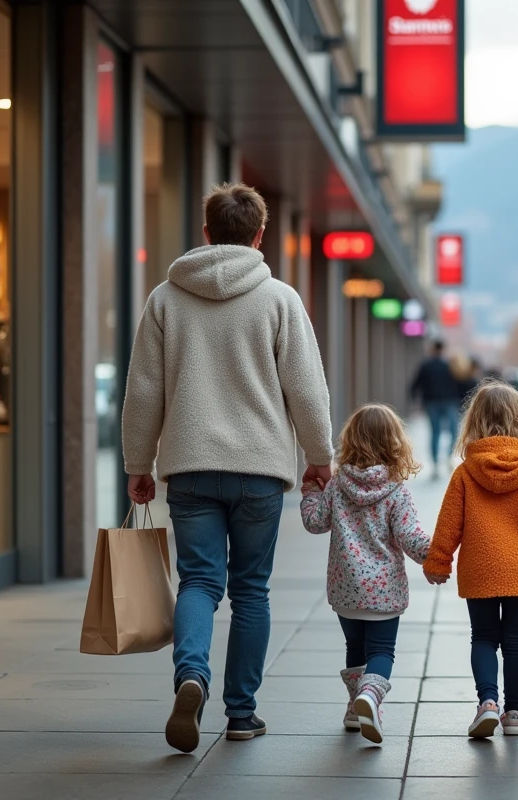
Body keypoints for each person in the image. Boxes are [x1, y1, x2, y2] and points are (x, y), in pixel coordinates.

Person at [121, 182, 334, 753]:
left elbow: (143, 390)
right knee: (251, 592)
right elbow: (306, 391)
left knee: (198, 581)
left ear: (207, 232)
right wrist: (320, 457)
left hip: (189, 466)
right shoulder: (280, 299)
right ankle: (241, 713)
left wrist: (138, 462)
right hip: (260, 468)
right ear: (260, 235)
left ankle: (191, 675)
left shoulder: (166, 298)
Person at [423, 381, 518, 739]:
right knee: (516, 642)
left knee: (483, 638)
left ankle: (487, 702)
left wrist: (439, 562)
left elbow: (449, 524)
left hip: (480, 566)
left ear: (474, 422)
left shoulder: (465, 473)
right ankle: (515, 714)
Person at [299, 404, 429, 745]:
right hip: (384, 591)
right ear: (394, 443)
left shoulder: (338, 485)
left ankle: (355, 708)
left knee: (354, 647)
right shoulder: (396, 490)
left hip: (346, 590)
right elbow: (410, 536)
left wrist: (311, 493)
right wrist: (436, 556)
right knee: (382, 651)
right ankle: (370, 698)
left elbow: (315, 523)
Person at [410, 340, 460, 477]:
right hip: (450, 401)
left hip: (431, 402)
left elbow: (415, 385)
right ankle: (449, 457)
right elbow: (460, 383)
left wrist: (414, 402)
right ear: (443, 349)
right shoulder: (450, 365)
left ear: (432, 349)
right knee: (453, 431)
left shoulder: (425, 366)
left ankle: (435, 464)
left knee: (435, 432)